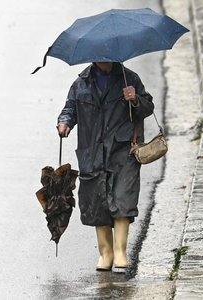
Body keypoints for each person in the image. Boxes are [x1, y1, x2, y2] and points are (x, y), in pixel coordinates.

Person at [57, 62, 154, 271]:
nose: (104, 61)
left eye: (108, 56)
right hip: (92, 151)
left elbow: (148, 108)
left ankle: (120, 251)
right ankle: (106, 253)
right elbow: (69, 109)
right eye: (99, 57)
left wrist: (135, 99)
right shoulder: (80, 84)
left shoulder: (130, 78)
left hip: (123, 150)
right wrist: (64, 122)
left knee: (123, 197)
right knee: (97, 201)